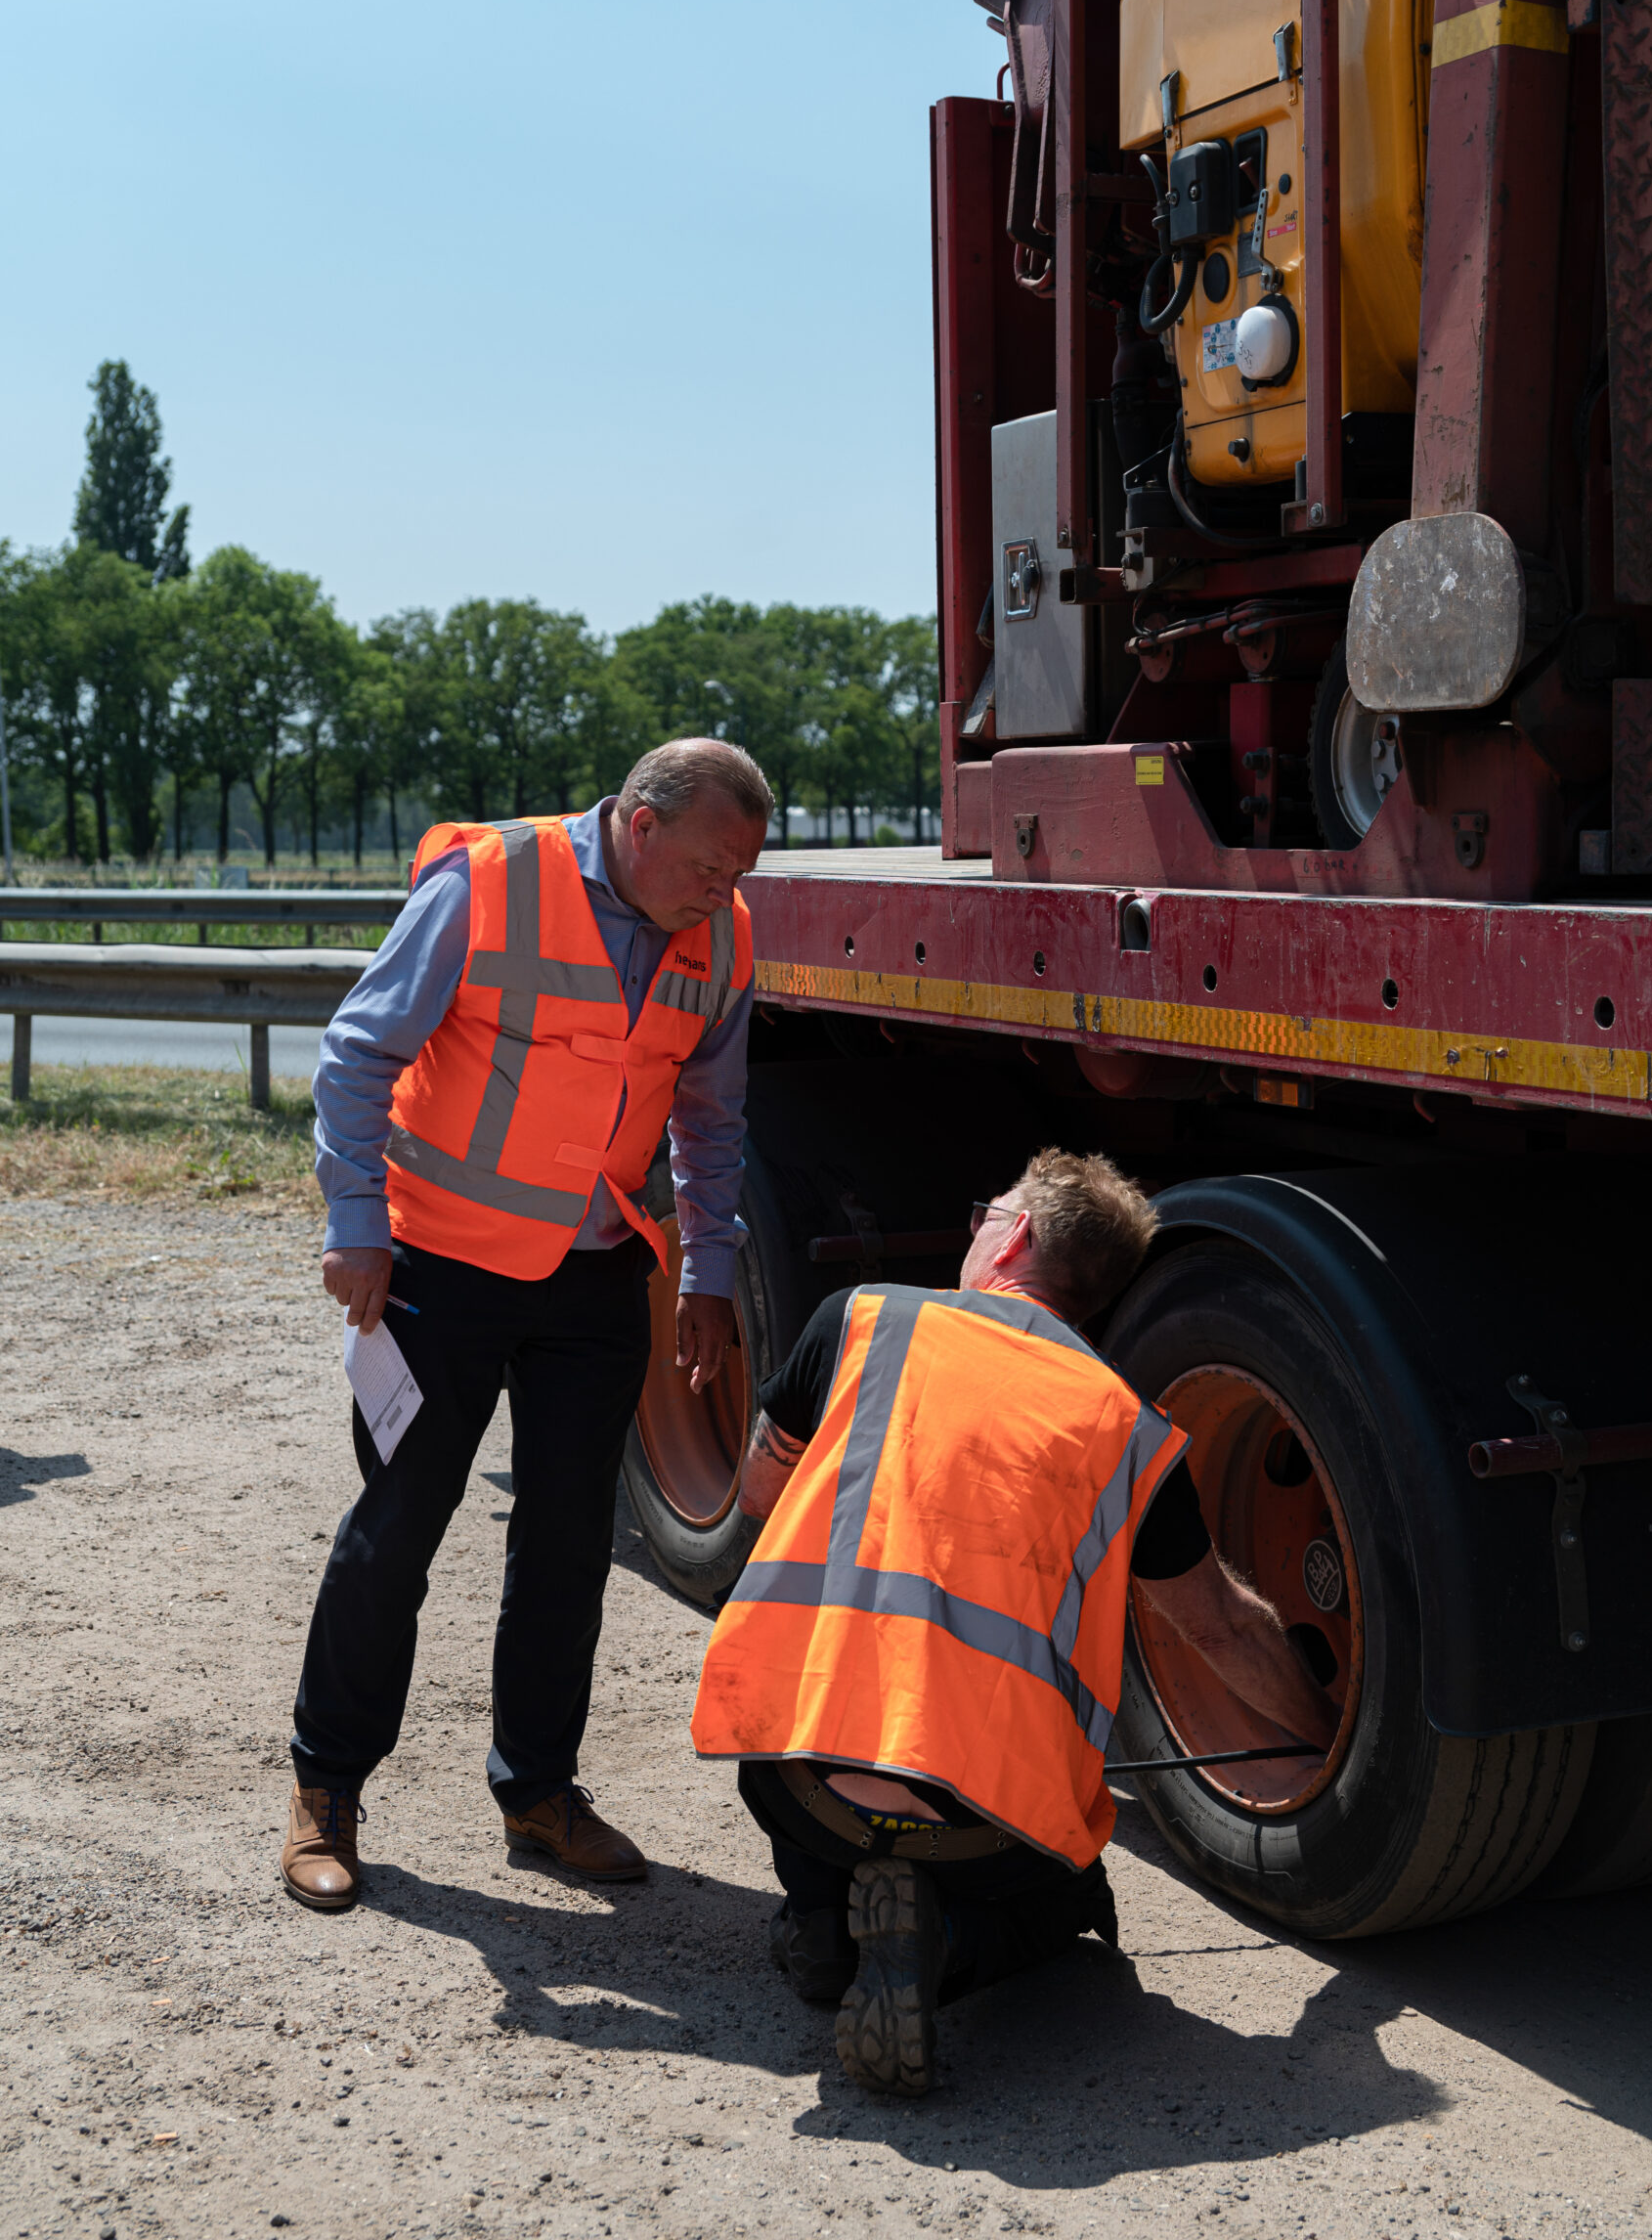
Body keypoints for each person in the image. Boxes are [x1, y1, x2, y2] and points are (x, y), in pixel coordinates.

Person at [691, 1148, 1338, 2094]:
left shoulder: (860, 1320)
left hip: (799, 1781)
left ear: (1017, 1234)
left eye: (981, 1212)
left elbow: (758, 1486)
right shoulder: (1120, 1424)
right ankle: (941, 1943)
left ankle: (822, 1923)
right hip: (983, 1830)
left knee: (816, 1764)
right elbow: (1224, 1629)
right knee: (1070, 1898)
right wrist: (1335, 1750)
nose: (970, 1228)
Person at [281, 738, 773, 1911]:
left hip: (593, 1272)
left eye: (744, 868)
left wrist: (706, 1269)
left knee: (566, 1552)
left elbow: (710, 1120)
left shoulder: (724, 935)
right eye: (712, 863)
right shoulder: (488, 882)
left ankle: (538, 1792)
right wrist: (356, 1221)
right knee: (397, 1528)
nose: (727, 890)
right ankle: (326, 1788)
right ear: (639, 824)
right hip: (437, 1264)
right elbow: (357, 1052)